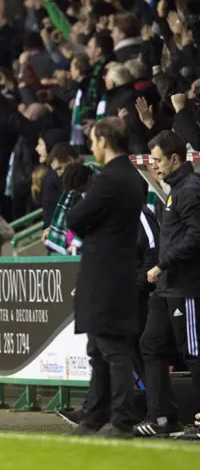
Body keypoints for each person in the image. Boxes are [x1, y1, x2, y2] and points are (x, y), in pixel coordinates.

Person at [66, 117, 144, 438]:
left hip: (108, 275)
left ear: (105, 141)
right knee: (98, 350)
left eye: (94, 141)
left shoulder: (111, 180)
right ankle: (94, 417)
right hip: (113, 272)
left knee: (112, 350)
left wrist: (86, 223)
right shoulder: (130, 176)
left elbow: (76, 218)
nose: (91, 147)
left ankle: (122, 420)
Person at [135, 131, 200, 440]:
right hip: (167, 287)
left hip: (185, 286)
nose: (154, 166)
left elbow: (195, 238)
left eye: (158, 160)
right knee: (151, 344)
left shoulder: (190, 190)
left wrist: (163, 264)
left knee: (194, 353)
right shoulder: (174, 190)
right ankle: (161, 417)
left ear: (175, 159)